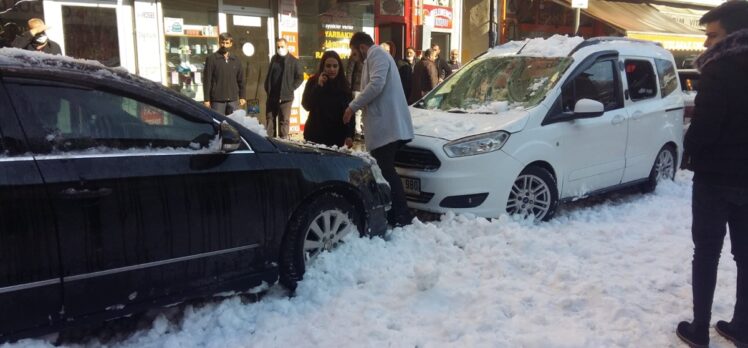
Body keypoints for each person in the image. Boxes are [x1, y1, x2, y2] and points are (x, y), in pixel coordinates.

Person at [676, 1, 748, 347]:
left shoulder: (720, 70)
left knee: (706, 252)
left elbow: (704, 129)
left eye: (712, 36)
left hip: (715, 179)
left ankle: (700, 330)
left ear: (733, 34)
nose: (707, 45)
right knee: (746, 255)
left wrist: (688, 146)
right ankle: (742, 327)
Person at [342, 32, 414, 227]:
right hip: (384, 127)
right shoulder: (373, 58)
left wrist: (352, 107)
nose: (354, 58)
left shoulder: (377, 55)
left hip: (388, 128)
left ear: (362, 48)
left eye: (355, 54)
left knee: (386, 171)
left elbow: (376, 85)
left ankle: (401, 215)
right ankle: (396, 214)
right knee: (385, 170)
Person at [301, 51, 354, 147]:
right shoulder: (313, 82)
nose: (332, 69)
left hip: (336, 137)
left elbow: (350, 112)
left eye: (335, 66)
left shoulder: (344, 85)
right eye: (328, 66)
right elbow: (306, 105)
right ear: (323, 67)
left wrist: (350, 135)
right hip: (315, 136)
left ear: (339, 67)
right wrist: (319, 86)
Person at [264, 38, 303, 138]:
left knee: (284, 121)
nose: (280, 48)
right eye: (278, 47)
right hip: (272, 96)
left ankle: (283, 143)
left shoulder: (294, 61)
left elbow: (300, 77)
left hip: (286, 97)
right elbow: (269, 75)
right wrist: (267, 88)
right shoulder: (274, 59)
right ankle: (270, 142)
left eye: (282, 46)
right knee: (270, 119)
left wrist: (291, 88)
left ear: (287, 46)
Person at [202, 33, 246, 115]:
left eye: (227, 43)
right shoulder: (212, 59)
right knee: (218, 124)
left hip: (233, 100)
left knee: (233, 125)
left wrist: (242, 96)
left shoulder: (235, 60)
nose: (224, 45)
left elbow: (241, 80)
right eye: (222, 42)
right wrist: (206, 99)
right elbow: (207, 80)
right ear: (219, 42)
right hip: (217, 101)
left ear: (231, 44)